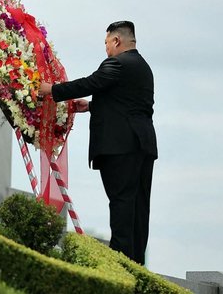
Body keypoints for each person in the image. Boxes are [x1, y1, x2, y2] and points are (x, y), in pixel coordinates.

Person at [39, 20, 157, 265]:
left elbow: (90, 83)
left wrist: (51, 89)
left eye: (106, 43)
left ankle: (120, 263)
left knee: (121, 205)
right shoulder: (143, 67)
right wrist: (92, 106)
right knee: (138, 208)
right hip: (142, 145)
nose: (105, 49)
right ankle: (136, 264)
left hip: (121, 147)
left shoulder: (117, 63)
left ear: (116, 41)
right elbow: (127, 103)